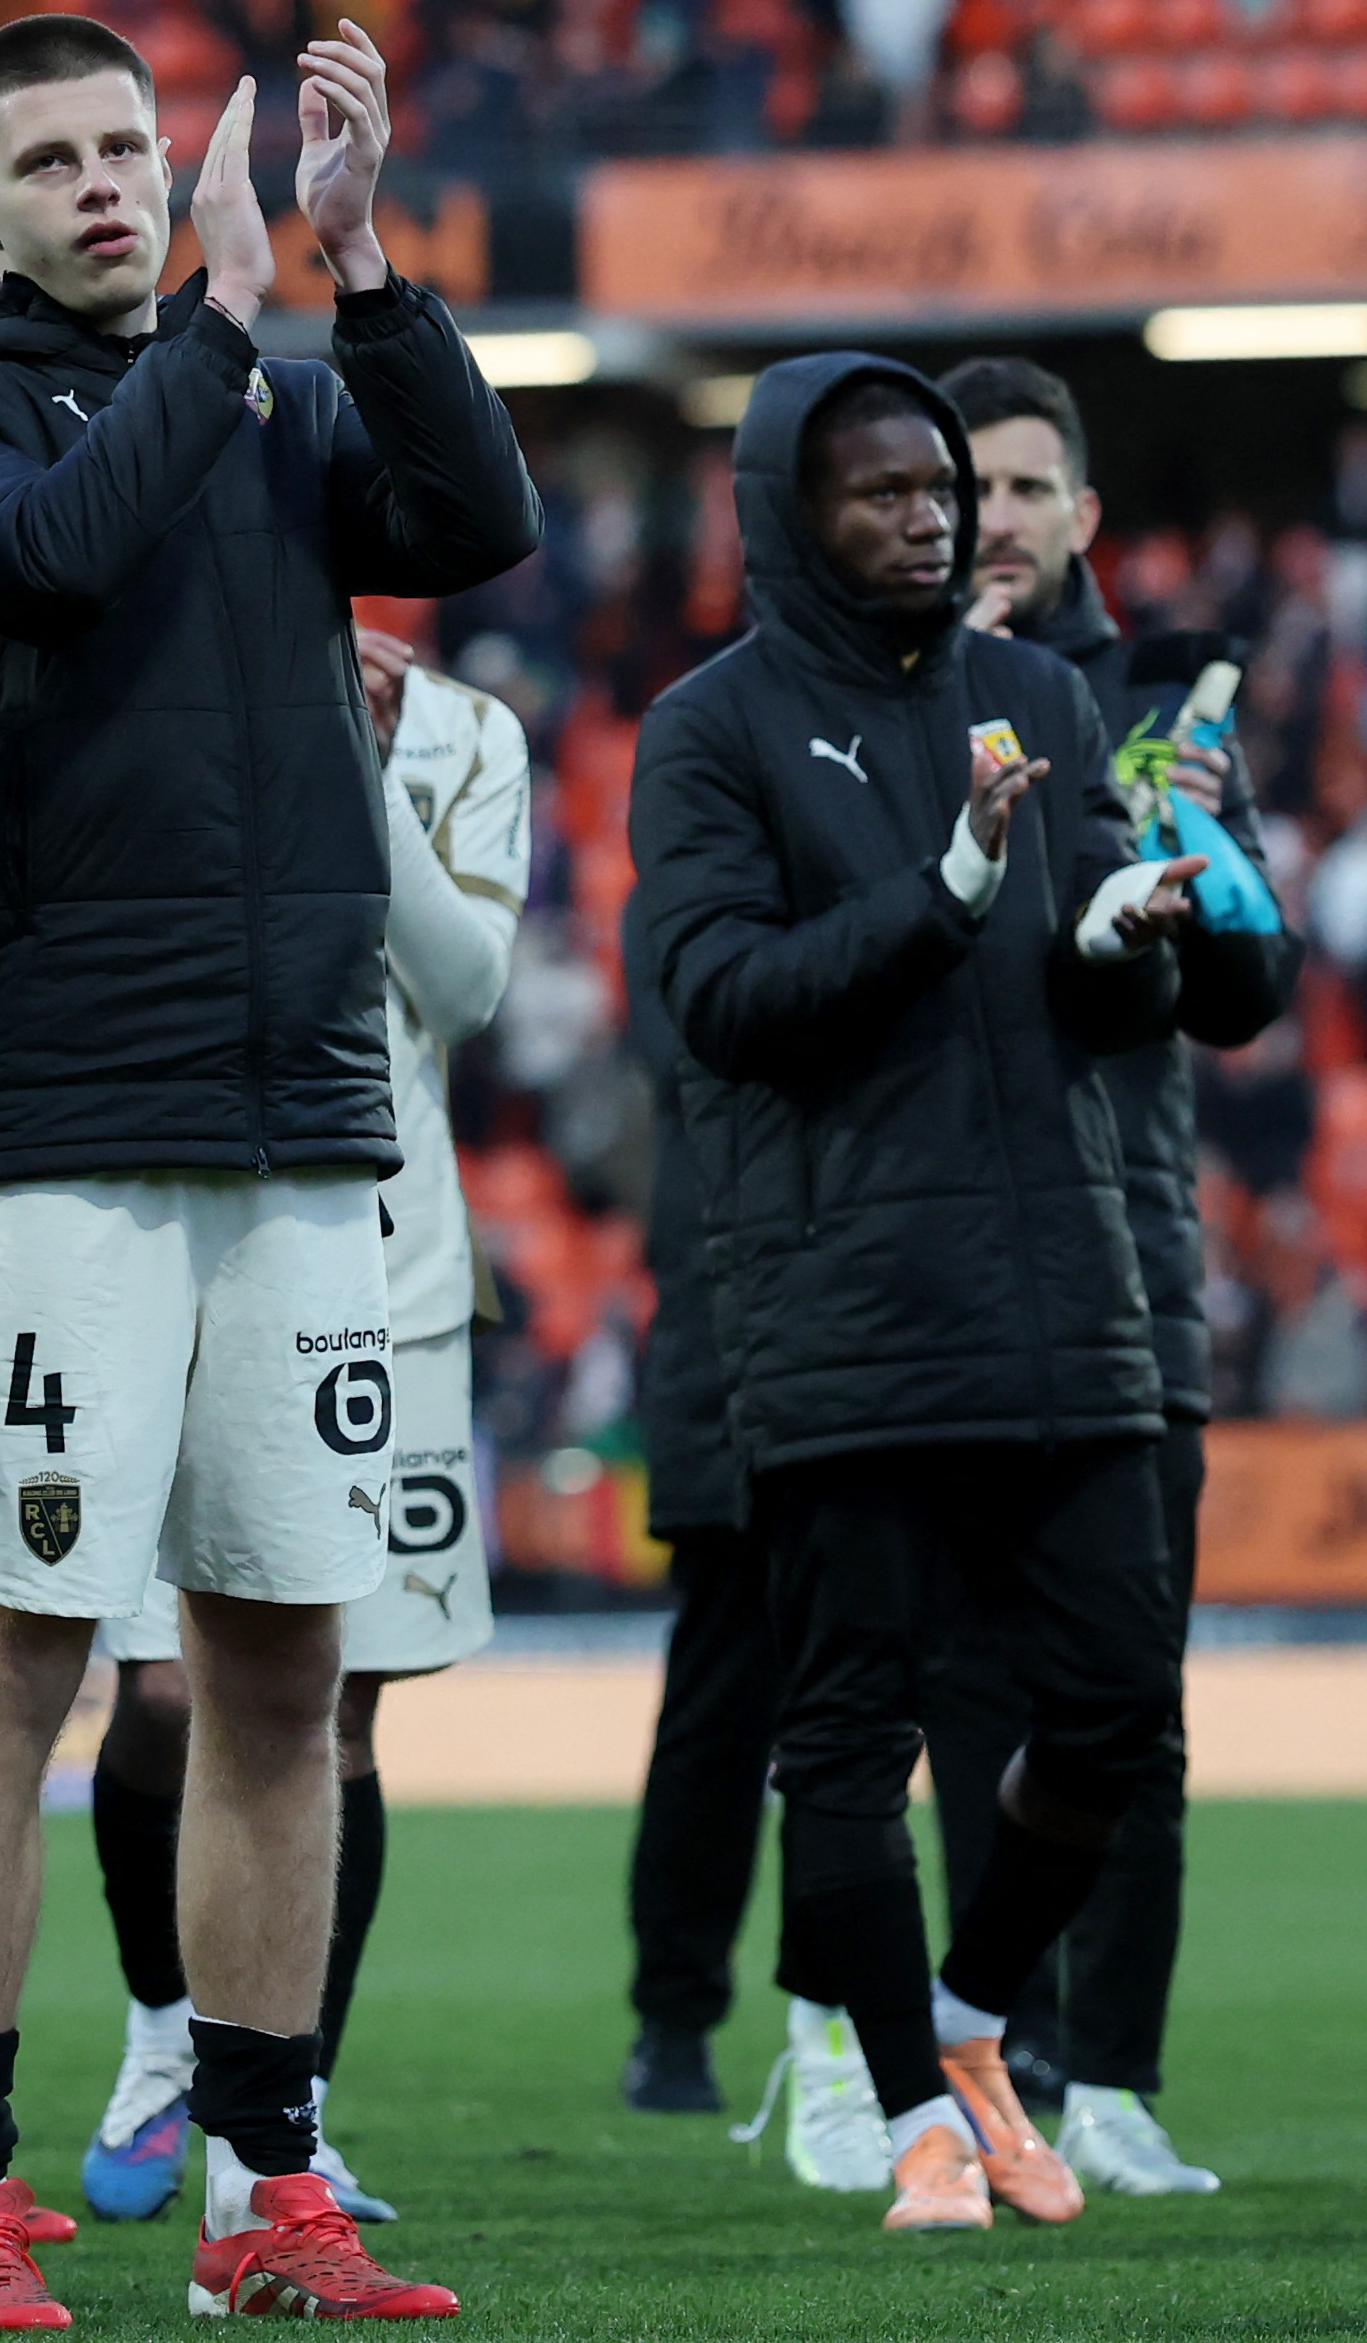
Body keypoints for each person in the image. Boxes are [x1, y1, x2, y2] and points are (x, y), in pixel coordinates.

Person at [0, 11, 534, 2326]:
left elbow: (475, 525)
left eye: (127, 144)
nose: (106, 182)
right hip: (65, 1131)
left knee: (273, 1662)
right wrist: (223, 322)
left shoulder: (277, 381)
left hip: (305, 1114)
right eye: (51, 158)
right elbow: (45, 551)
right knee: (19, 1650)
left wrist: (357, 272)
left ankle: (266, 2187)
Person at [626, 355, 1201, 2237]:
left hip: (1064, 1294)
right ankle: (914, 2121)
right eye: (879, 491)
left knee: (1116, 1707)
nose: (928, 517)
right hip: (846, 1307)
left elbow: (1100, 976)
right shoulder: (706, 731)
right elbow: (720, 998)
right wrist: (948, 886)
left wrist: (1124, 939)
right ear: (790, 510)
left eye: (941, 487)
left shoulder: (1041, 689)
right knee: (850, 1747)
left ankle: (959, 2025)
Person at [69, 614, 527, 2230]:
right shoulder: (150, 677)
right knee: (160, 1696)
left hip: (386, 1269)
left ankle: (284, 2112)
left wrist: (359, 765)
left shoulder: (467, 733)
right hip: (152, 1240)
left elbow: (464, 989)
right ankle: (157, 2035)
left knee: (335, 1714)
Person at [911, 354, 1306, 2199]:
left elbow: (1246, 998)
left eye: (1022, 485)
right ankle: (991, 2049)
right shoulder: (874, 693)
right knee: (961, 1692)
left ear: (1084, 515)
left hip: (1126, 1235)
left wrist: (1201, 847)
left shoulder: (1164, 708)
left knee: (1126, 1690)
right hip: (930, 1249)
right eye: (960, 484)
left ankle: (1116, 2079)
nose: (990, 516)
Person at [615, 891, 769, 2124]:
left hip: (823, 1317)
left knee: (779, 1704)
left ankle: (941, 2022)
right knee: (723, 1705)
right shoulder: (680, 890)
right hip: (728, 1331)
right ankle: (674, 2013)